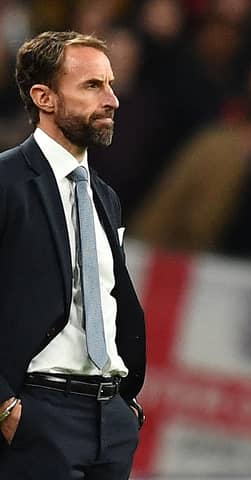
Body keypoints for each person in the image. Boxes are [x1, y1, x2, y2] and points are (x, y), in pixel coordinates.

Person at [0, 31, 145, 479]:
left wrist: (126, 409)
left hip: (110, 419)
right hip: (39, 414)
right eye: (92, 86)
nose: (113, 100)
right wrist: (5, 406)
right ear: (44, 97)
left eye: (111, 84)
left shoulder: (104, 196)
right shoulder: (5, 183)